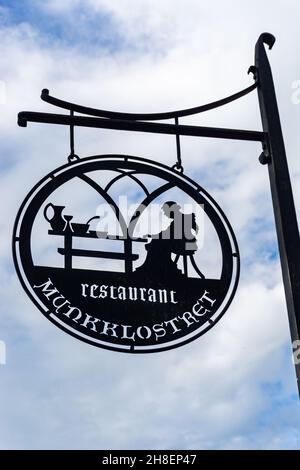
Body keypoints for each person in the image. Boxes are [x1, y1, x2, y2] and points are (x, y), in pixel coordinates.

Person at [136, 201, 198, 277]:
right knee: (158, 242)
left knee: (159, 243)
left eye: (166, 211)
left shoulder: (183, 218)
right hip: (178, 242)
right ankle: (160, 266)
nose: (165, 214)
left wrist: (154, 236)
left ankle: (163, 267)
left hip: (184, 244)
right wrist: (153, 236)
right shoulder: (178, 219)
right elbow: (167, 233)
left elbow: (169, 233)